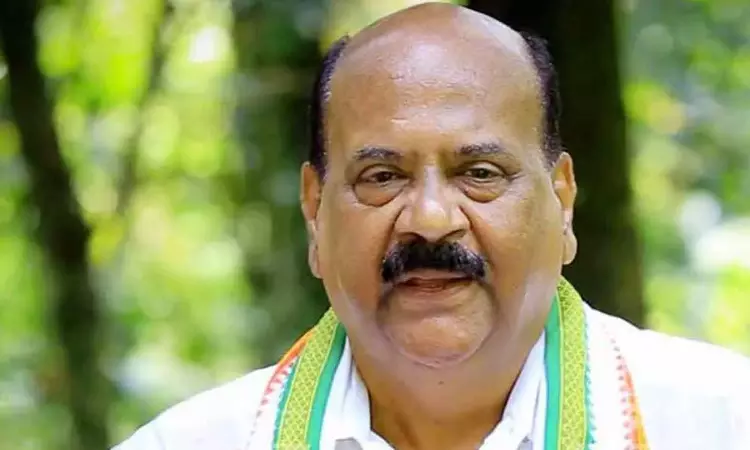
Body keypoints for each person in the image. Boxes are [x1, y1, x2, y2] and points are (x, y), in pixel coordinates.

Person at [114, 3, 750, 449]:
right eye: (382, 177)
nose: (430, 219)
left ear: (563, 203)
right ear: (314, 212)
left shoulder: (721, 423)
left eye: (479, 173)